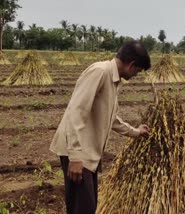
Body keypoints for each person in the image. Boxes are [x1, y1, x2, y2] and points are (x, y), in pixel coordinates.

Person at [50, 41, 151, 214]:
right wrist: (75, 156)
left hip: (88, 154)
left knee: (87, 207)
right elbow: (76, 111)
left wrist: (135, 132)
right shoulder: (100, 72)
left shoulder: (113, 80)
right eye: (138, 71)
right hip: (78, 153)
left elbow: (111, 118)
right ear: (131, 65)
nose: (136, 75)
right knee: (82, 209)